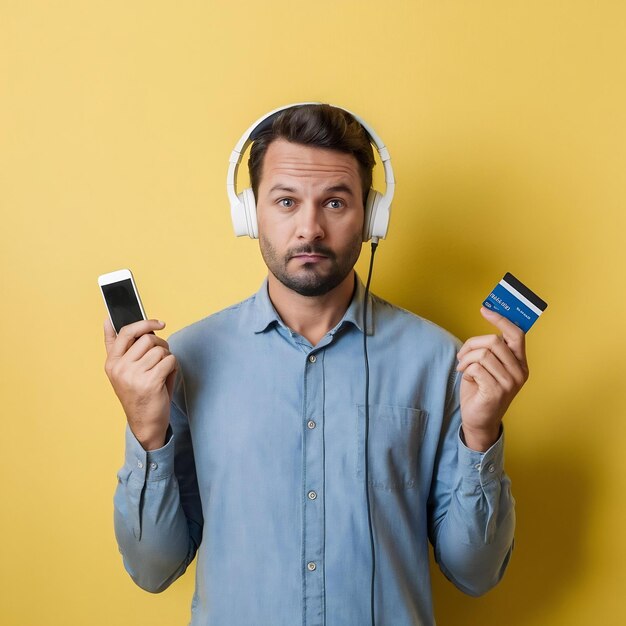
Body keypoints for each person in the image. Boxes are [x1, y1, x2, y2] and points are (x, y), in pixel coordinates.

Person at [104, 104, 527, 626]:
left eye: (334, 201)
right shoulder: (185, 362)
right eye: (285, 201)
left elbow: (475, 574)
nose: (310, 228)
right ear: (249, 212)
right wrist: (147, 434)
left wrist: (481, 436)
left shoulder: (440, 361)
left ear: (372, 216)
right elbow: (153, 569)